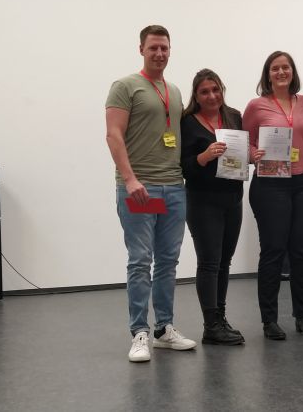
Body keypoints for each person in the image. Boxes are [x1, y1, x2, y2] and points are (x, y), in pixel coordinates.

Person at [105, 25, 196, 362]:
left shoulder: (174, 91)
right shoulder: (125, 86)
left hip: (173, 188)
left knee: (168, 262)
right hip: (140, 189)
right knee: (141, 260)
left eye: (164, 48)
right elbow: (113, 134)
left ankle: (164, 329)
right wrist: (130, 180)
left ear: (170, 51)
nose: (159, 53)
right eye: (153, 47)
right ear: (141, 49)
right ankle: (139, 332)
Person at [243, 51, 303, 340]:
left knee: (301, 252)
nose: (281, 72)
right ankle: (269, 320)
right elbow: (244, 142)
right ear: (268, 74)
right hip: (270, 183)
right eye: (275, 68)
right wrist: (253, 154)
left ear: (292, 72)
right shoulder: (256, 106)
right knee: (273, 251)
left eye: (285, 67)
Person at [181, 69, 245, 346]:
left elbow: (240, 155)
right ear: (196, 96)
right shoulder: (187, 122)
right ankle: (210, 326)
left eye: (215, 89)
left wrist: (251, 156)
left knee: (224, 262)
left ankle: (220, 318)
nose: (211, 96)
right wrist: (204, 157)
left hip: (233, 198)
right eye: (204, 92)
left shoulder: (234, 116)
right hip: (202, 201)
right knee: (209, 263)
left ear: (222, 90)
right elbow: (183, 166)